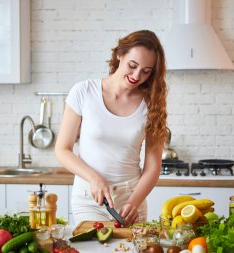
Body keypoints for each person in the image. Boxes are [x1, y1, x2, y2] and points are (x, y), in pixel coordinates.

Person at [55, 30, 168, 226]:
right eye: (132, 66)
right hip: (89, 198)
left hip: (131, 201)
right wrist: (94, 178)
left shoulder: (152, 103)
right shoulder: (84, 92)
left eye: (146, 71)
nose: (136, 75)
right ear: (120, 54)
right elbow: (62, 149)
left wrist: (134, 202)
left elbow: (152, 167)